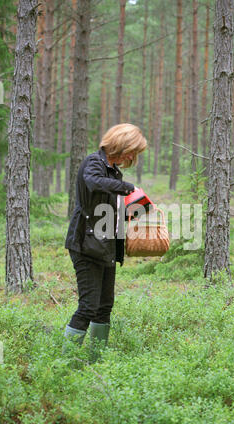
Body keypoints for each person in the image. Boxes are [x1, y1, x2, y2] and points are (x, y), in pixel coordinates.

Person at [63, 123, 147, 362]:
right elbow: (93, 183)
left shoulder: (113, 171)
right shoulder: (94, 163)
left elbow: (110, 207)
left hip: (106, 246)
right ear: (120, 144)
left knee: (104, 306)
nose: (132, 157)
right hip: (86, 245)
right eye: (132, 150)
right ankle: (65, 365)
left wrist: (138, 208)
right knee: (88, 307)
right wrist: (127, 187)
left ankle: (96, 360)